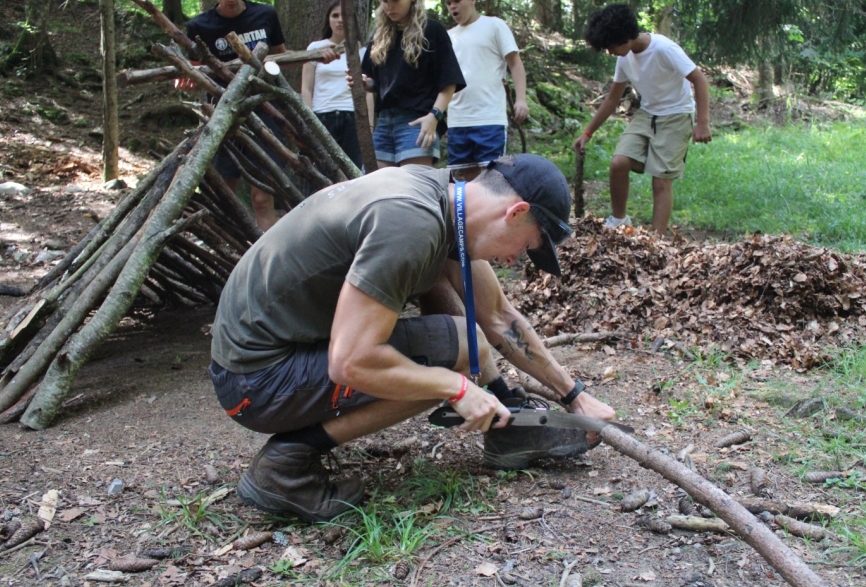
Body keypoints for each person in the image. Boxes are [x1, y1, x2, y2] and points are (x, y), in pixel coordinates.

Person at [208, 154, 617, 522]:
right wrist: (455, 386)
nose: (514, 260)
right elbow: (350, 361)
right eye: (526, 246)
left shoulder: (445, 200)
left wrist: (573, 394)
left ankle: (505, 421)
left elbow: (497, 316)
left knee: (461, 340)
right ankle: (286, 464)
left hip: (273, 357)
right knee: (450, 356)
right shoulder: (411, 223)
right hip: (253, 381)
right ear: (516, 212)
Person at [572, 4, 711, 235]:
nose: (609, 52)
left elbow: (700, 80)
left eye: (610, 46)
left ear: (624, 37)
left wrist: (703, 123)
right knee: (618, 163)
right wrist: (587, 132)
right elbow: (612, 99)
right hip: (647, 114)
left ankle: (655, 242)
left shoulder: (664, 49)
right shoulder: (624, 57)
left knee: (660, 181)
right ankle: (619, 220)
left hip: (676, 115)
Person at [181, 0, 287, 231]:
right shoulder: (199, 27)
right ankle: (226, 255)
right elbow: (195, 74)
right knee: (223, 194)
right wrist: (187, 80)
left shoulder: (265, 15)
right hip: (222, 116)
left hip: (264, 112)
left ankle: (267, 260)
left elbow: (281, 59)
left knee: (263, 198)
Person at [357, 0, 465, 168]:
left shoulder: (432, 31)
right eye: (384, 1)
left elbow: (449, 82)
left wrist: (434, 116)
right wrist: (363, 82)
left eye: (395, 0)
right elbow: (374, 82)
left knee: (412, 192)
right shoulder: (380, 36)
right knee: (374, 188)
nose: (389, 7)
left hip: (417, 122)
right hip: (384, 123)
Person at [440, 0, 528, 166]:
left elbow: (515, 64)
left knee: (491, 181)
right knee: (460, 183)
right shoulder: (448, 37)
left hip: (489, 120)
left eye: (457, 0)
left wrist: (521, 99)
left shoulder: (494, 25)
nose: (452, 7)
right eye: (448, 3)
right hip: (457, 121)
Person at [301, 0, 374, 171]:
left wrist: (369, 126)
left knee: (352, 172)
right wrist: (310, 120)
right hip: (322, 116)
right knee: (320, 171)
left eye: (344, 15)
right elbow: (306, 87)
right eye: (335, 15)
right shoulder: (315, 48)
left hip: (353, 119)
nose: (340, 20)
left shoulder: (363, 52)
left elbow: (369, 92)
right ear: (328, 19)